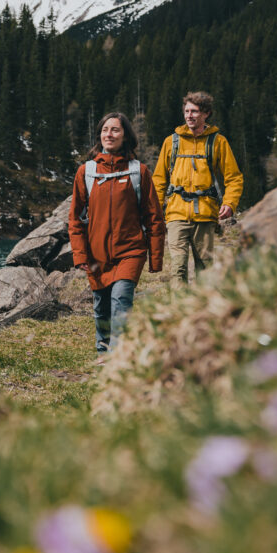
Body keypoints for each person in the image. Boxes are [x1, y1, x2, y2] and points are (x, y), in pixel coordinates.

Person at [68, 112, 165, 364]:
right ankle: (103, 349)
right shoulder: (86, 172)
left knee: (121, 300)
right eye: (105, 130)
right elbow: (75, 219)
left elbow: (154, 218)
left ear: (125, 136)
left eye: (115, 130)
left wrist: (155, 258)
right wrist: (80, 255)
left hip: (130, 251)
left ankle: (117, 357)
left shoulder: (138, 172)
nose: (109, 134)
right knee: (101, 306)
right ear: (99, 135)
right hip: (96, 254)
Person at [153, 91, 243, 284]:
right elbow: (159, 179)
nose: (189, 115)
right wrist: (155, 209)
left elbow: (234, 177)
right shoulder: (171, 142)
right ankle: (181, 312)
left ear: (206, 114)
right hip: (176, 213)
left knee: (205, 268)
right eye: (187, 111)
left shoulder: (218, 142)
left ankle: (205, 309)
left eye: (194, 111)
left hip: (205, 215)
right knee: (178, 268)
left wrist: (229, 203)